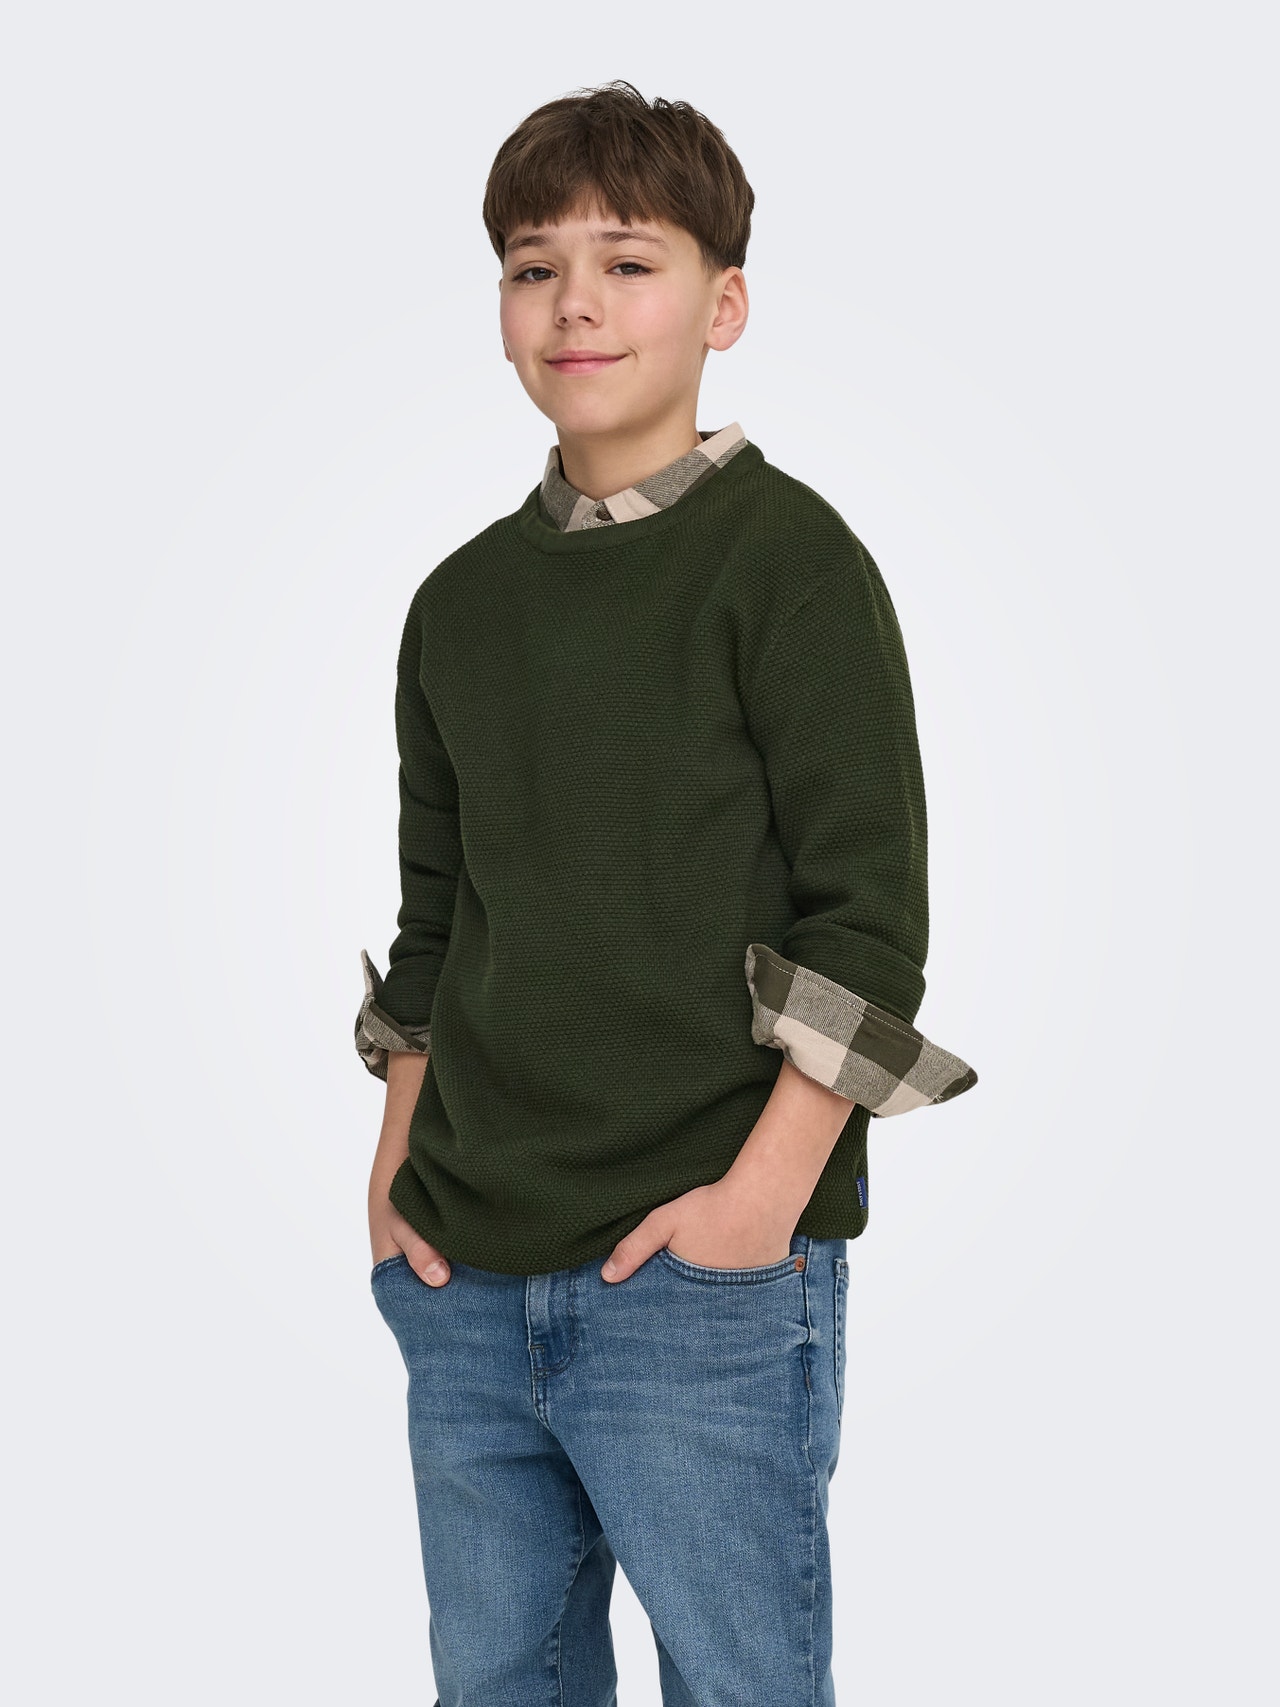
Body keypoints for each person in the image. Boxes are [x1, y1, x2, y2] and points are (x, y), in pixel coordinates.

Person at [355, 79, 977, 1707]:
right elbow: (436, 921)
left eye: (628, 263)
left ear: (725, 304)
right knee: (496, 1683)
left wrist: (756, 1209)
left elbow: (867, 923)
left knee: (739, 1687)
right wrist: (397, 1174)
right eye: (533, 266)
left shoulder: (790, 564)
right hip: (468, 1276)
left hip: (702, 1277)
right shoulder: (459, 605)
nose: (576, 303)